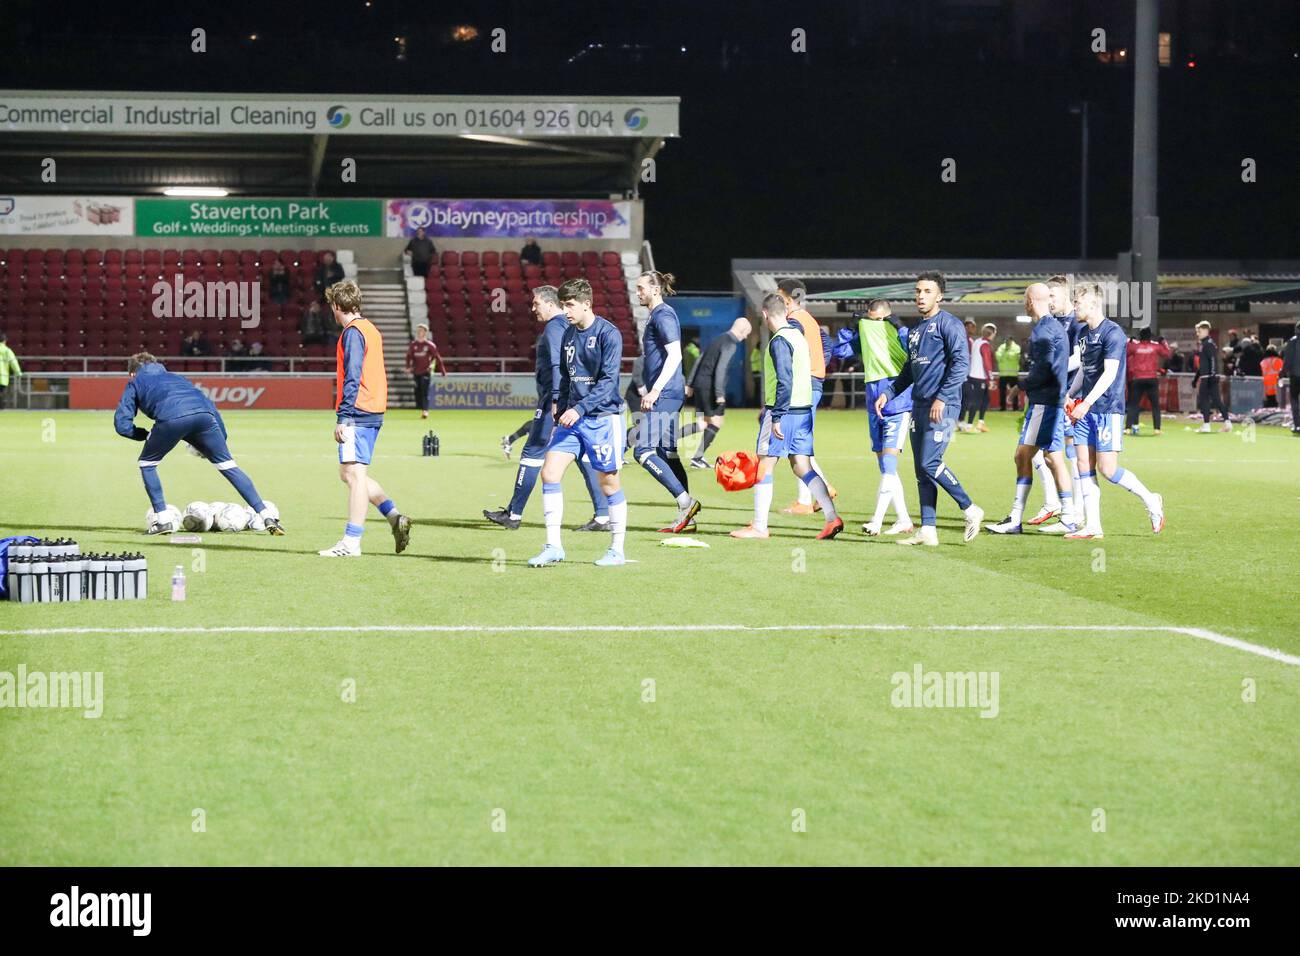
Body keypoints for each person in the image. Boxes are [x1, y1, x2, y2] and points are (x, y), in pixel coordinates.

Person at [485, 286, 611, 532]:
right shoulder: (571, 327)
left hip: (555, 402)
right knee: (583, 456)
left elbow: (556, 365)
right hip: (574, 401)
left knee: (532, 454)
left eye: (536, 304)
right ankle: (603, 516)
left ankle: (514, 513)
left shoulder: (554, 327)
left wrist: (554, 401)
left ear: (551, 304)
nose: (533, 309)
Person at [113, 352, 284, 534]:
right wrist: (218, 441)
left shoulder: (135, 381)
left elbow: (122, 425)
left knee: (147, 464)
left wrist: (144, 435)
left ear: (132, 373)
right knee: (229, 466)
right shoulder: (178, 378)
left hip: (171, 419)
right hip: (205, 418)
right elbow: (210, 406)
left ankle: (163, 521)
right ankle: (266, 516)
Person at [875, 272, 984, 547]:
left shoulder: (949, 324)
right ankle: (928, 530)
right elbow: (909, 370)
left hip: (944, 407)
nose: (921, 296)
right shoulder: (915, 331)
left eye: (927, 291)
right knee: (921, 471)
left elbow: (961, 363)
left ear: (939, 296)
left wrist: (943, 398)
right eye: (918, 291)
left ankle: (970, 509)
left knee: (930, 463)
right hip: (920, 405)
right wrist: (889, 393)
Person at [527, 278, 629, 568]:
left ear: (587, 304)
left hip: (602, 419)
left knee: (608, 483)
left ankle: (617, 550)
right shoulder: (568, 335)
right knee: (550, 473)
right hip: (573, 418)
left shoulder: (609, 334)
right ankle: (553, 546)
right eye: (563, 305)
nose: (566, 311)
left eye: (570, 305)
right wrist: (560, 404)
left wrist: (580, 408)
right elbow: (565, 373)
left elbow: (609, 383)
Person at [730, 292, 842, 540]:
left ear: (765, 314)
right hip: (803, 411)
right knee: (802, 465)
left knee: (764, 466)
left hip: (783, 412)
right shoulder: (798, 337)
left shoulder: (779, 340)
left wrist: (777, 415)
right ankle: (831, 517)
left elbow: (784, 379)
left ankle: (759, 526)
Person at [318, 280, 412, 557]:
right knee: (348, 472)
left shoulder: (353, 332)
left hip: (358, 410)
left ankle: (351, 542)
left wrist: (344, 415)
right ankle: (395, 516)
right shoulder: (370, 328)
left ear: (337, 306)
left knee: (355, 475)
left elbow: (353, 374)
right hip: (373, 408)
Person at [1064, 283, 1164, 539]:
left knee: (1108, 470)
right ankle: (1093, 526)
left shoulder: (1113, 333)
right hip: (1085, 410)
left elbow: (1110, 374)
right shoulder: (1084, 334)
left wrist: (1086, 402)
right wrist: (1071, 394)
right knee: (1083, 465)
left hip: (1108, 410)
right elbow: (1085, 370)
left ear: (1094, 304)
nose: (1074, 306)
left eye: (1078, 302)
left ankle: (1151, 499)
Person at [985, 284, 1078, 535]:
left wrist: (1021, 386)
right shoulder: (1055, 328)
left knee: (1022, 455)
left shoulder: (1044, 331)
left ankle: (1015, 518)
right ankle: (1068, 515)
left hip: (1044, 403)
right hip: (1053, 401)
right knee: (1053, 457)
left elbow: (1044, 368)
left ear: (1028, 301)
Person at [830, 299, 915, 536]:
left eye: (880, 320)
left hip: (898, 403)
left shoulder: (898, 332)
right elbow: (839, 351)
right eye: (872, 320)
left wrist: (899, 327)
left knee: (889, 464)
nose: (876, 325)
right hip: (872, 404)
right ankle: (904, 520)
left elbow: (915, 352)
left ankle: (876, 521)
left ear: (889, 316)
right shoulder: (866, 334)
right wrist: (851, 327)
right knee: (885, 466)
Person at [631, 270, 701, 534]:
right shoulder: (657, 315)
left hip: (666, 394)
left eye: (641, 288)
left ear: (655, 289)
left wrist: (654, 391)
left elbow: (674, 355)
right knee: (666, 453)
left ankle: (687, 503)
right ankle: (688, 519)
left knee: (643, 451)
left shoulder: (663, 315)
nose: (637, 292)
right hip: (670, 393)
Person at [777, 279, 838, 514]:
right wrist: (818, 370)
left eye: (779, 298)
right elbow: (827, 346)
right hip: (812, 383)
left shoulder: (794, 321)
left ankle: (805, 500)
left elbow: (790, 354)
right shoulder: (809, 318)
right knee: (798, 441)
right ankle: (822, 488)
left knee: (796, 443)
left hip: (803, 386)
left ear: (789, 300)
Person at [681, 318, 751, 469]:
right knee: (716, 422)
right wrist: (719, 393)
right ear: (742, 330)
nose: (746, 337)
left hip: (700, 384)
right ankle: (696, 457)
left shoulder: (717, 339)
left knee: (703, 423)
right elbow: (721, 368)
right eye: (747, 333)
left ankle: (669, 441)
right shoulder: (731, 344)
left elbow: (699, 360)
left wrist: (690, 383)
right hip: (710, 387)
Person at [1125, 327, 1171, 434]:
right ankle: (1157, 429)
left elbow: (1124, 352)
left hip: (1138, 379)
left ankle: (1127, 428)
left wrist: (1130, 342)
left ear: (1140, 336)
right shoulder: (1155, 347)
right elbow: (1168, 354)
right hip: (1151, 379)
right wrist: (1163, 342)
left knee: (1133, 404)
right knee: (1155, 405)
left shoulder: (1135, 347)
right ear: (1150, 336)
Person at [1192, 320, 1233, 432]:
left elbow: (1213, 360)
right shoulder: (1206, 344)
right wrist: (1196, 378)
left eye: (1199, 331)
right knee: (1216, 400)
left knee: (1204, 400)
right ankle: (1227, 422)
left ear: (1205, 331)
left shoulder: (1208, 344)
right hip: (1208, 376)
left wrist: (1212, 375)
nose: (1197, 334)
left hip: (1208, 377)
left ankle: (1206, 425)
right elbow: (1203, 364)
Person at [404, 324, 447, 420]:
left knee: (425, 392)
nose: (420, 333)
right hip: (416, 372)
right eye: (418, 331)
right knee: (418, 391)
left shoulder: (430, 345)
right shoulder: (413, 345)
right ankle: (422, 408)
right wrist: (408, 367)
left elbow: (437, 358)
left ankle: (425, 411)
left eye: (422, 331)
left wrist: (442, 371)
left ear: (425, 333)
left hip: (426, 371)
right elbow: (408, 357)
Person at [959, 320, 994, 432]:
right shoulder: (984, 345)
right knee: (976, 401)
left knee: (985, 399)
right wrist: (991, 378)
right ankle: (969, 425)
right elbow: (987, 362)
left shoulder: (976, 341)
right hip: (979, 377)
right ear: (992, 334)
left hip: (972, 375)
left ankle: (980, 422)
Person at [994, 334, 1021, 411]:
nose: (1007, 342)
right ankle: (1002, 407)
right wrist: (1006, 354)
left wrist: (1005, 354)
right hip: (1003, 374)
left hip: (1013, 374)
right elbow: (997, 357)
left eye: (1008, 340)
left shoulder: (1016, 347)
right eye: (1006, 340)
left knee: (1014, 392)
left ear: (1012, 340)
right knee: (1002, 392)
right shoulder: (1001, 347)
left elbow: (1013, 357)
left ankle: (1015, 407)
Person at [1282, 321, 1300, 434]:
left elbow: (1288, 359)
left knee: (1294, 400)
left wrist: (1283, 371)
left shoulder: (1292, 342)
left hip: (1295, 375)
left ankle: (1297, 425)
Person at [0, 331, 21, 409]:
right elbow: (13, 362)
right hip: (2, 378)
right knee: (1, 394)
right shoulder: (7, 350)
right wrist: (18, 373)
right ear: (5, 341)